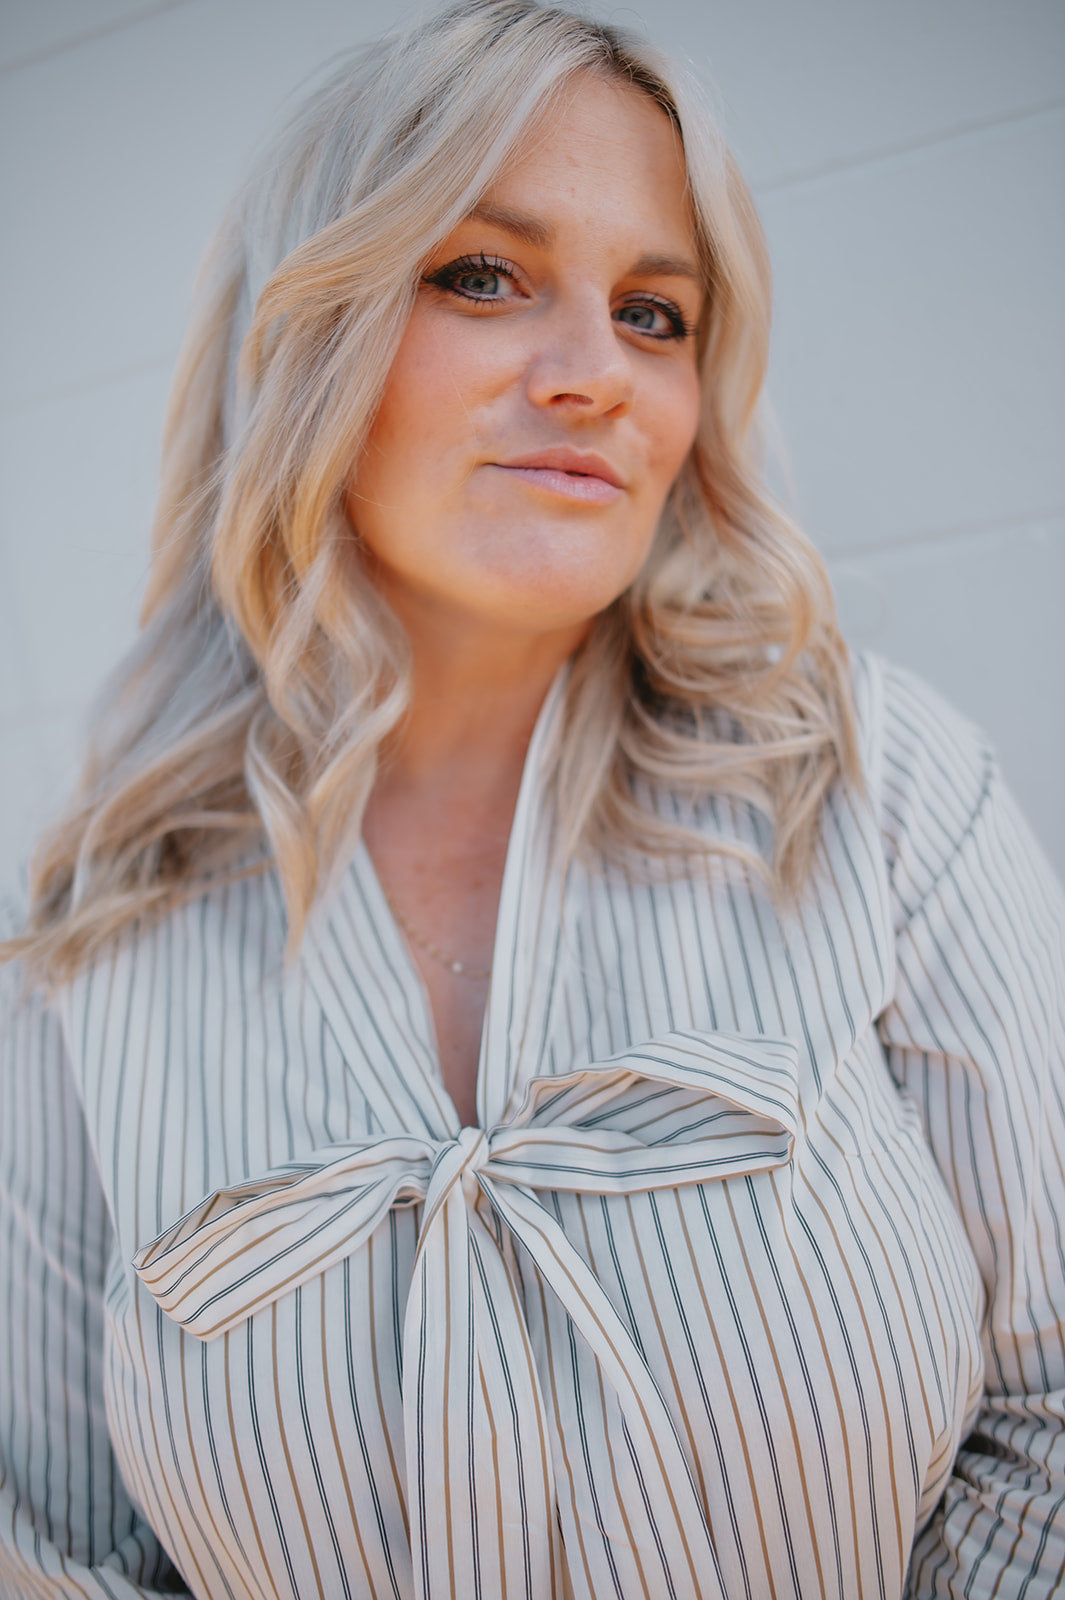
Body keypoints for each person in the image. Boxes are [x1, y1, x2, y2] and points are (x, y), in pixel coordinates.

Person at [2, 0, 1063, 1594]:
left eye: (652, 313)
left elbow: (1050, 1425)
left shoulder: (874, 786)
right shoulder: (92, 946)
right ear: (310, 335)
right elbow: (58, 1546)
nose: (593, 378)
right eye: (482, 277)